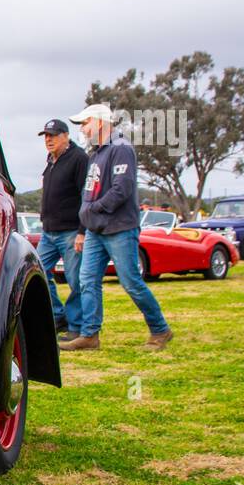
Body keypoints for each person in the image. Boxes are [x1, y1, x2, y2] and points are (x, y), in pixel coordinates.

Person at [60, 104, 173, 351]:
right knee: (87, 280)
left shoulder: (120, 148)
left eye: (85, 123)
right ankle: (90, 335)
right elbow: (90, 191)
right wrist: (86, 218)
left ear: (100, 122)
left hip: (119, 228)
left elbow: (122, 189)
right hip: (95, 230)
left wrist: (94, 208)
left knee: (131, 281)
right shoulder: (97, 153)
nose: (83, 128)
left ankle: (160, 329)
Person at [33, 119, 87, 339]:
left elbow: (87, 196)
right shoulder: (51, 160)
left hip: (71, 231)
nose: (48, 140)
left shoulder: (79, 159)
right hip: (49, 232)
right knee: (38, 271)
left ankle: (77, 326)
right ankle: (58, 315)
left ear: (66, 136)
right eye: (45, 136)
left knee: (76, 281)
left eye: (53, 135)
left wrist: (83, 231)